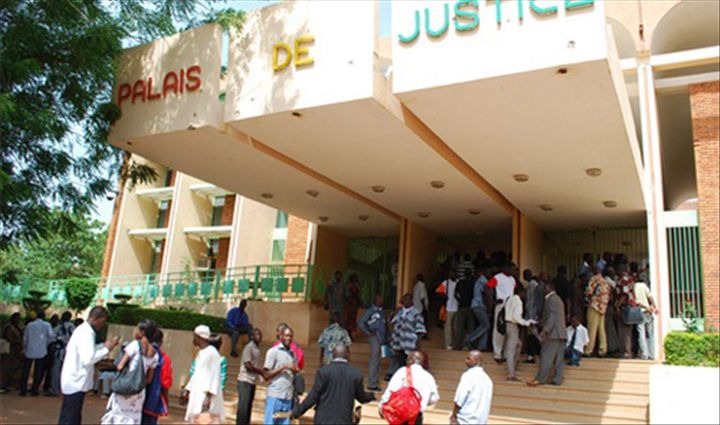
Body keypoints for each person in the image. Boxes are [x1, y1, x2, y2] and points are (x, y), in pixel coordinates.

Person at [59, 306, 118, 424]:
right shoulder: (86, 333)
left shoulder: (85, 331)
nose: (102, 325)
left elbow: (89, 351)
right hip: (75, 382)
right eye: (102, 322)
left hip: (75, 381)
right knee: (70, 417)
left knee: (73, 415)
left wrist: (104, 346)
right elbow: (88, 358)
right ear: (95, 318)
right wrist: (107, 349)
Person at [292, 345, 375, 424]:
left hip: (324, 420)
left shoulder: (324, 372)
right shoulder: (356, 374)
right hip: (344, 420)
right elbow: (361, 397)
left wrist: (297, 412)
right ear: (348, 355)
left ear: (333, 355)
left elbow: (313, 397)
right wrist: (372, 395)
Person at [101, 319, 159, 425]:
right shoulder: (155, 354)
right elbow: (149, 379)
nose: (135, 330)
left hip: (125, 388)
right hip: (138, 392)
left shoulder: (134, 345)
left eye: (137, 328)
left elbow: (120, 366)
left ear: (142, 332)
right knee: (132, 418)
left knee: (118, 417)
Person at [380, 351, 439, 425]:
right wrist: (421, 402)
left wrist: (382, 405)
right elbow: (434, 398)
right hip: (417, 415)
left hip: (400, 414)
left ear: (410, 360)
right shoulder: (429, 377)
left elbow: (391, 390)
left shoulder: (402, 372)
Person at [527, 281, 567, 387]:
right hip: (560, 333)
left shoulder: (551, 299)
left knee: (546, 356)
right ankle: (557, 379)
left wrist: (545, 330)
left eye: (544, 288)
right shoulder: (558, 299)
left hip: (553, 334)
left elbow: (552, 317)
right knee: (558, 359)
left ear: (549, 288)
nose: (543, 290)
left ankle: (541, 379)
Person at [182, 325, 224, 423]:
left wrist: (208, 397)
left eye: (194, 336)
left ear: (199, 337)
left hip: (205, 397)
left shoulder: (212, 353)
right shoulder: (201, 353)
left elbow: (214, 377)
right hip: (197, 393)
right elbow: (196, 375)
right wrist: (187, 391)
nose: (193, 339)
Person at [262, 326, 299, 425]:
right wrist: (284, 367)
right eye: (286, 335)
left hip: (287, 397)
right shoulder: (273, 352)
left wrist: (295, 370)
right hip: (275, 396)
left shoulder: (293, 354)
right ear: (281, 336)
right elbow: (266, 375)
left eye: (291, 336)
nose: (289, 338)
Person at [386, 293, 426, 380]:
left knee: (409, 362)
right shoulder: (400, 312)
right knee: (399, 361)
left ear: (411, 300)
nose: (404, 301)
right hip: (398, 341)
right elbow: (391, 323)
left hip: (409, 342)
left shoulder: (416, 313)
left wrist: (417, 343)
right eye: (403, 299)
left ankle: (409, 379)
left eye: (406, 299)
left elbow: (420, 330)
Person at [450, 350, 493, 425]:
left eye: (468, 358)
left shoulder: (468, 375)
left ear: (476, 361)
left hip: (464, 419)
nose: (465, 360)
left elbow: (460, 398)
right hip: (481, 420)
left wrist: (453, 415)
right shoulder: (488, 380)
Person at [20, 310, 55, 396]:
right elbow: (52, 336)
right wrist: (46, 343)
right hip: (41, 350)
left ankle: (23, 390)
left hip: (29, 349)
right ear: (44, 317)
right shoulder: (47, 325)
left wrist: (24, 347)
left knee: (26, 370)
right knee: (38, 371)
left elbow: (25, 337)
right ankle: (34, 390)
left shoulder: (30, 325)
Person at [486, 263, 517, 362]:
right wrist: (492, 302)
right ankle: (497, 354)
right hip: (501, 305)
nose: (513, 271)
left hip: (510, 306)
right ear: (505, 268)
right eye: (512, 269)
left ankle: (506, 354)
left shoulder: (512, 280)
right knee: (499, 329)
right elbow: (487, 288)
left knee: (509, 329)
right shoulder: (498, 277)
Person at [142, 330, 172, 425]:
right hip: (152, 400)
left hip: (135, 397)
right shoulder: (163, 358)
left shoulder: (139, 353)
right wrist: (166, 402)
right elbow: (165, 383)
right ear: (161, 342)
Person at [358, 294, 386, 391]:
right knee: (374, 360)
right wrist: (367, 332)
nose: (381, 301)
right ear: (375, 301)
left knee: (378, 360)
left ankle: (374, 382)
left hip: (381, 338)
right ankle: (372, 384)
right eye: (379, 299)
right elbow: (361, 321)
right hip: (374, 338)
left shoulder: (382, 312)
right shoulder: (371, 311)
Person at [236, 328, 263, 425]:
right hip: (245, 381)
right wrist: (261, 372)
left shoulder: (257, 348)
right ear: (251, 336)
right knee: (243, 409)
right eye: (256, 335)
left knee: (248, 408)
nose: (259, 337)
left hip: (252, 381)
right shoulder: (249, 348)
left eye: (260, 335)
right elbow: (248, 366)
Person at [584, 267, 611, 357]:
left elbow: (589, 292)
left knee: (592, 328)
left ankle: (588, 350)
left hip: (594, 306)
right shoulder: (605, 281)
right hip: (603, 307)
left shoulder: (593, 279)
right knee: (601, 329)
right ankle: (603, 349)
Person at [48, 311, 75, 397]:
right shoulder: (72, 327)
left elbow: (52, 339)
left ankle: (55, 390)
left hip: (59, 352)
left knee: (56, 371)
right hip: (69, 352)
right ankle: (65, 389)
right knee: (67, 372)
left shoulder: (58, 328)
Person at [465, 267, 490, 351]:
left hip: (476, 305)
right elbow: (485, 295)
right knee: (486, 325)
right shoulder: (483, 281)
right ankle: (469, 338)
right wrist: (488, 306)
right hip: (479, 305)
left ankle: (481, 346)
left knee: (484, 325)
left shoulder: (479, 280)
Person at [523, 270, 545, 364]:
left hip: (532, 315)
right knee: (534, 335)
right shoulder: (535, 286)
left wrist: (537, 316)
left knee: (534, 336)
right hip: (533, 315)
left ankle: (531, 356)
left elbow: (535, 303)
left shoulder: (533, 286)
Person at [615, 264, 636, 358]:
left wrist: (617, 305)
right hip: (630, 306)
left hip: (625, 307)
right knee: (628, 330)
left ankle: (626, 352)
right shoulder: (630, 279)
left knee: (624, 330)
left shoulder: (624, 280)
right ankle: (628, 351)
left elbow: (624, 294)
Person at [634, 278, 656, 360]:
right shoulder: (644, 286)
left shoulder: (634, 286)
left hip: (640, 311)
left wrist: (645, 307)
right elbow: (650, 296)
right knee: (650, 333)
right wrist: (654, 306)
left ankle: (644, 354)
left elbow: (637, 302)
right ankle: (652, 354)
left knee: (641, 333)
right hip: (648, 312)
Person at [1, 312, 23, 392]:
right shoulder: (9, 327)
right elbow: (8, 337)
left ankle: (8, 384)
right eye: (17, 318)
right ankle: (3, 385)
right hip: (8, 350)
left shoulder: (16, 327)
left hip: (14, 351)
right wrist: (18, 342)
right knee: (5, 368)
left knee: (12, 368)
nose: (18, 320)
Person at [453, 273, 476, 350]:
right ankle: (469, 345)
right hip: (470, 307)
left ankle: (457, 345)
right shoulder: (473, 283)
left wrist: (459, 300)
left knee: (460, 327)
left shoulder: (460, 282)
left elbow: (455, 294)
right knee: (471, 327)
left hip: (461, 306)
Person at [438, 271, 459, 350]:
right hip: (448, 307)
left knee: (456, 327)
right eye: (451, 273)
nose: (452, 274)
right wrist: (444, 297)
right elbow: (438, 292)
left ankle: (455, 343)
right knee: (448, 327)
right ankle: (448, 344)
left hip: (457, 307)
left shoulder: (459, 282)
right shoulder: (445, 283)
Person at [42, 314, 61, 396]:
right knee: (43, 369)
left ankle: (48, 386)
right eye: (53, 319)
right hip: (45, 350)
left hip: (53, 351)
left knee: (51, 370)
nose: (54, 320)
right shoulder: (47, 326)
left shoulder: (59, 328)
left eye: (55, 319)